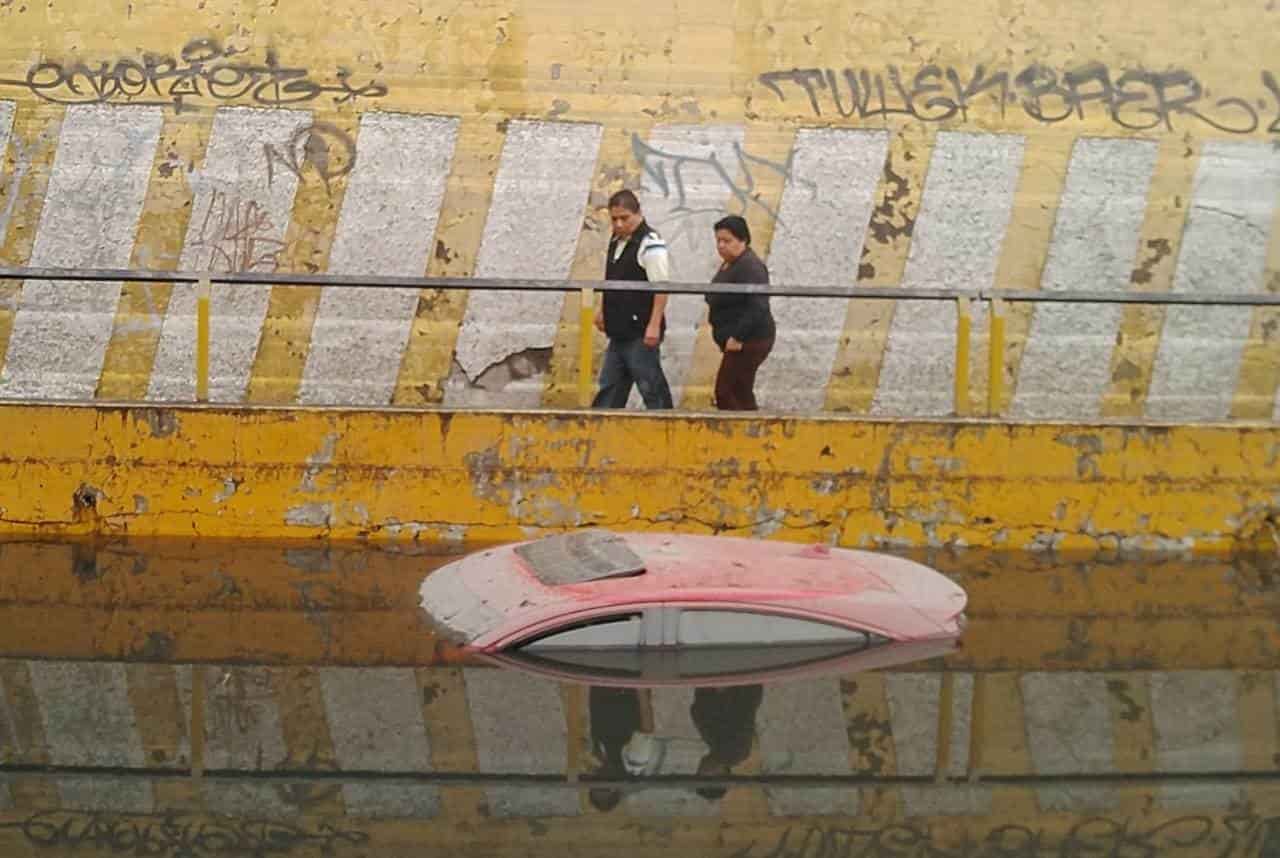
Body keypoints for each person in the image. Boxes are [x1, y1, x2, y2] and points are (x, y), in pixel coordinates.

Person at [592, 189, 674, 409]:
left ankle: (666, 425)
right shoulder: (616, 240)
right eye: (614, 219)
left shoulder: (650, 243)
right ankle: (603, 426)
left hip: (640, 330)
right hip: (619, 330)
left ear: (639, 213)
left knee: (651, 387)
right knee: (610, 388)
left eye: (624, 218)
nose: (619, 224)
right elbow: (613, 279)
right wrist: (604, 310)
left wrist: (654, 325)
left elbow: (661, 287)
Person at [707, 215, 775, 411]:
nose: (721, 246)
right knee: (740, 390)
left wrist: (738, 336)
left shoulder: (751, 267)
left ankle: (738, 427)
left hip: (749, 340)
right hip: (736, 340)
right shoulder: (730, 263)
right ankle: (750, 426)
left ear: (743, 240)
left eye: (727, 241)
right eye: (718, 241)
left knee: (726, 391)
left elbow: (758, 306)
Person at [690, 684, 764, 800]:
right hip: (733, 683)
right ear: (716, 776)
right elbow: (740, 709)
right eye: (701, 775)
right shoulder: (734, 751)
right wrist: (723, 687)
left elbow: (698, 711)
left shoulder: (719, 750)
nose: (698, 770)